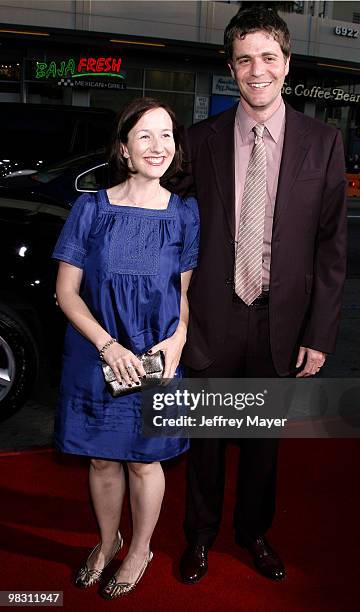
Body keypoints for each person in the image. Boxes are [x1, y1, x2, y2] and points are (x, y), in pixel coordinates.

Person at [178, 7, 347, 584]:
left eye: (268, 58)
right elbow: (163, 214)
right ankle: (198, 538)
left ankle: (253, 533)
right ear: (230, 66)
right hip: (212, 317)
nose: (257, 70)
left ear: (287, 64)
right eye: (245, 59)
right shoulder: (198, 141)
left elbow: (330, 248)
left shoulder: (323, 143)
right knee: (205, 442)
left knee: (261, 445)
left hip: (281, 322)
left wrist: (319, 336)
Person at [52, 97, 199, 600]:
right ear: (123, 147)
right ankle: (105, 540)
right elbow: (65, 292)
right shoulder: (90, 208)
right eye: (145, 136)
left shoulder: (184, 214)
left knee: (144, 460)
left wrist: (178, 341)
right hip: (97, 351)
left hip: (158, 353)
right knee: (100, 459)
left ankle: (140, 549)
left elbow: (183, 296)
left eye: (167, 135)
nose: (158, 146)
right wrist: (108, 345)